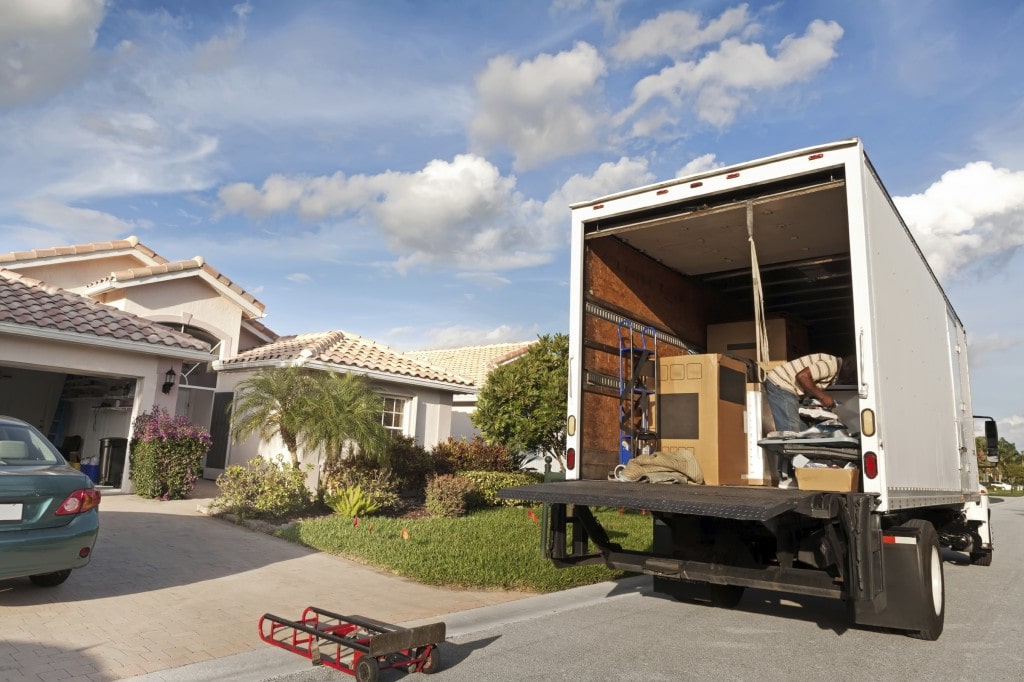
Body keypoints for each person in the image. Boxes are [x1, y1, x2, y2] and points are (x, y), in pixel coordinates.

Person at [764, 353, 848, 481]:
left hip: (790, 389)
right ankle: (788, 478)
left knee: (804, 435)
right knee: (792, 436)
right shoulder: (832, 365)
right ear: (849, 366)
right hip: (782, 384)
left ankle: (800, 475)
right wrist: (822, 397)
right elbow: (803, 376)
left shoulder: (833, 369)